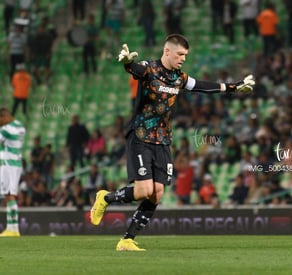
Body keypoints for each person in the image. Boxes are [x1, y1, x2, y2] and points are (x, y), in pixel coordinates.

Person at [90, 33, 255, 251]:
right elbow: (135, 70)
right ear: (167, 51)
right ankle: (105, 198)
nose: (183, 59)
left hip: (163, 139)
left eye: (185, 55)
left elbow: (202, 86)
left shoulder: (180, 78)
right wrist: (128, 63)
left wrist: (233, 87)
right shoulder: (149, 68)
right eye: (180, 54)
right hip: (140, 136)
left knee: (157, 193)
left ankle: (127, 239)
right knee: (142, 191)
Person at [0, 108, 26, 237]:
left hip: (8, 164)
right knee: (11, 195)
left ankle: (13, 229)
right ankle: (13, 228)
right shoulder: (20, 126)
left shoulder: (6, 129)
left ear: (4, 117)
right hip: (16, 163)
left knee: (9, 195)